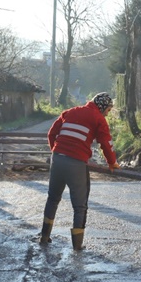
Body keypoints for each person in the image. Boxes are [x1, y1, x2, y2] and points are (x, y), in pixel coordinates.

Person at [39, 92, 120, 250]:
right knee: (79, 205)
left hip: (57, 159)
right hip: (76, 163)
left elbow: (51, 134)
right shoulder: (98, 119)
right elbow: (106, 143)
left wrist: (57, 152)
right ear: (102, 107)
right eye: (108, 110)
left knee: (53, 198)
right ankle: (77, 245)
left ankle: (44, 236)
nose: (107, 114)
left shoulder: (70, 112)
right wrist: (112, 163)